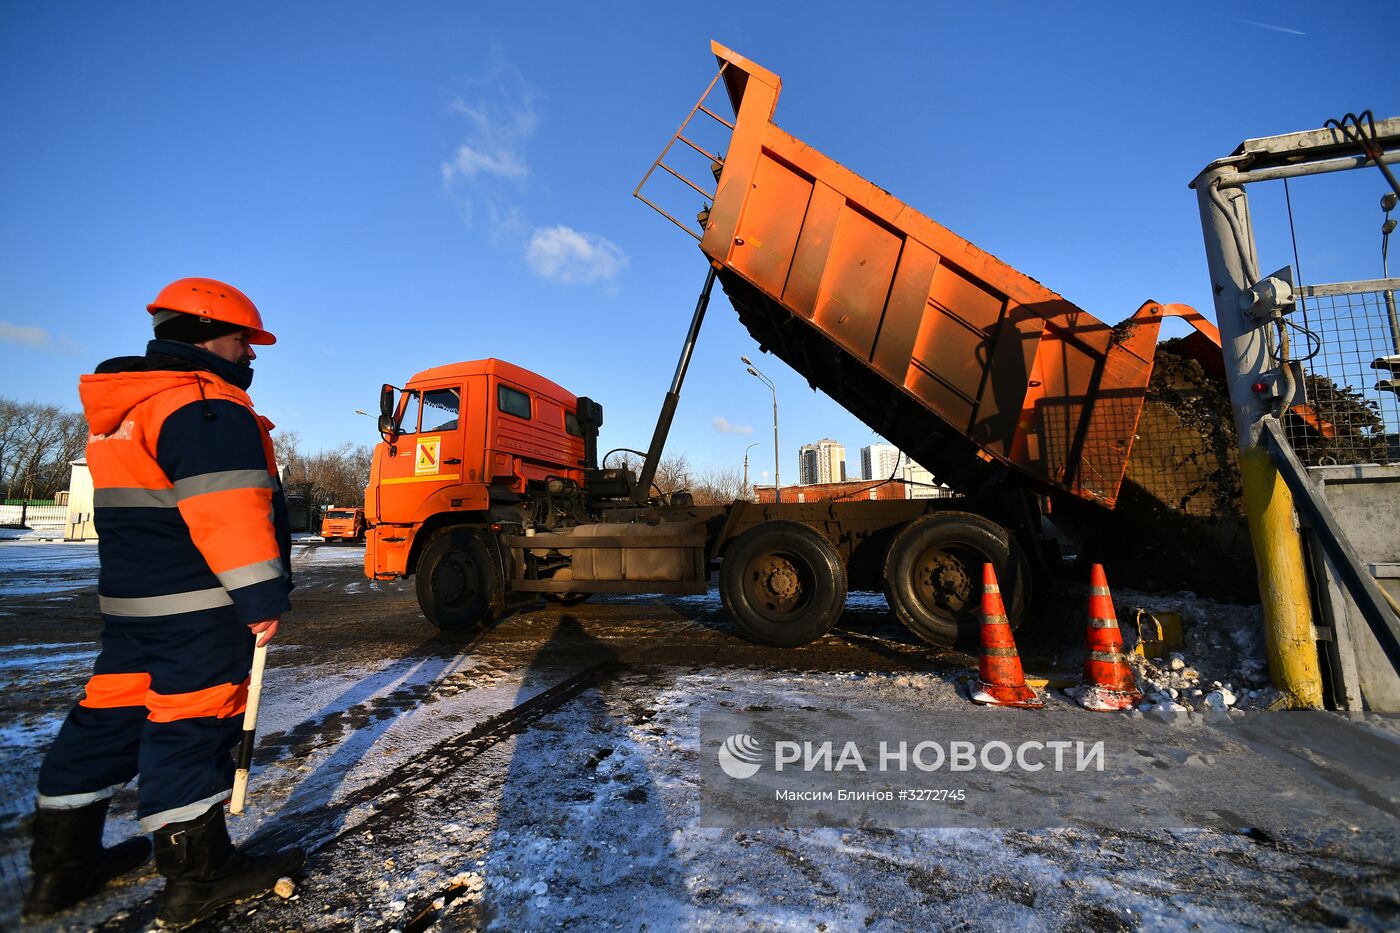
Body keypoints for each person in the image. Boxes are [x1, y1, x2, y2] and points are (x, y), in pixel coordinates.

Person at [24, 277, 304, 926]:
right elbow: (227, 510)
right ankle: (197, 877)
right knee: (192, 724)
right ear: (206, 335)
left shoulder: (125, 415)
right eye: (242, 341)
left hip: (132, 609)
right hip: (198, 610)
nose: (250, 356)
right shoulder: (207, 408)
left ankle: (58, 868)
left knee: (108, 719)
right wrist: (261, 595)